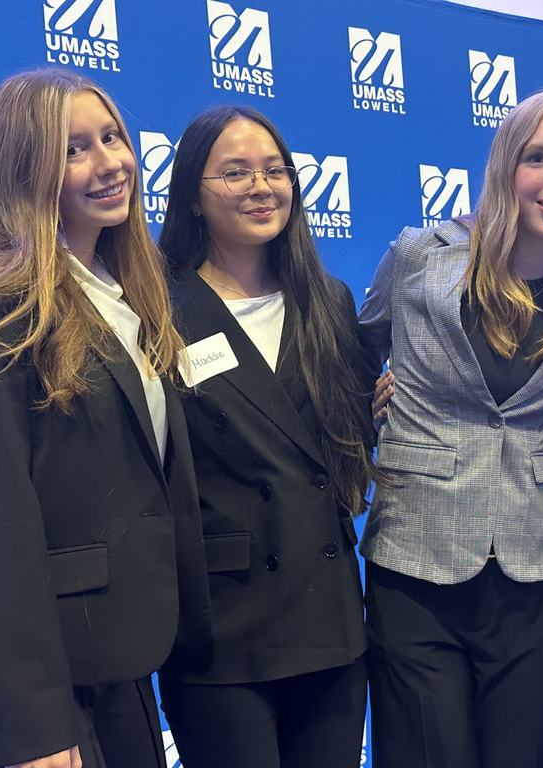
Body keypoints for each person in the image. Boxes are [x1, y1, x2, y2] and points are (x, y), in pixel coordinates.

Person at [0, 68, 210, 768]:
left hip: (114, 655)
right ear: (22, 168)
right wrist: (35, 720)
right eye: (74, 150)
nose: (110, 164)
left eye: (112, 138)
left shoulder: (126, 288)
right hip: (27, 677)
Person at [358, 89, 543, 768]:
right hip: (414, 563)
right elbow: (344, 357)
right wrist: (364, 400)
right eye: (538, 157)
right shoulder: (419, 256)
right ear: (506, 165)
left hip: (537, 567)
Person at [156, 106, 378, 768]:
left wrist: (380, 409)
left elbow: (341, 445)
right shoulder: (155, 304)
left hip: (329, 620)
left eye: (275, 169)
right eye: (235, 172)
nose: (262, 186)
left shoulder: (329, 300)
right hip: (222, 624)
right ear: (193, 196)